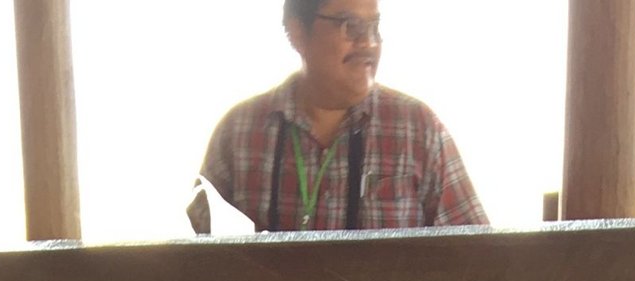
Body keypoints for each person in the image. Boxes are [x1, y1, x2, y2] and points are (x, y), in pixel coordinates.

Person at [202, 5, 485, 233]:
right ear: (297, 32)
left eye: (374, 27)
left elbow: (477, 259)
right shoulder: (239, 132)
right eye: (351, 26)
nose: (369, 43)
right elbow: (196, 260)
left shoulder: (418, 129)